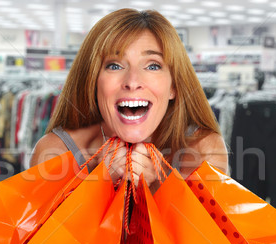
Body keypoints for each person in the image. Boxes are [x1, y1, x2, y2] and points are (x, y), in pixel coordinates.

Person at [30, 8, 228, 191]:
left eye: (152, 66)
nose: (133, 82)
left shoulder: (204, 149)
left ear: (173, 86)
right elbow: (44, 230)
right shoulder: (54, 151)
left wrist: (158, 187)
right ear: (93, 81)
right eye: (115, 66)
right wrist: (99, 185)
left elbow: (209, 229)